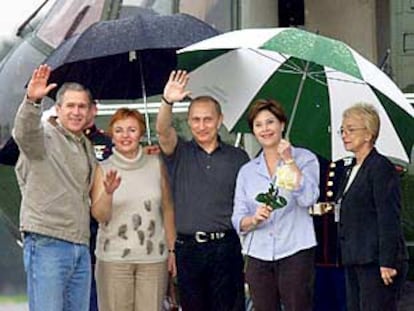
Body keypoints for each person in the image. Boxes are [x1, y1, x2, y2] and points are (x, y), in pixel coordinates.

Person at [12, 64, 114, 311]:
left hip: (80, 246)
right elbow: (24, 132)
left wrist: (108, 192)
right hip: (48, 242)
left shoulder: (86, 147)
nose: (76, 112)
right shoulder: (43, 136)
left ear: (91, 111)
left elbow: (97, 207)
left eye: (82, 106)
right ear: (58, 109)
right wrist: (32, 101)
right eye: (70, 106)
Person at [155, 70, 249, 311]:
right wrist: (167, 102)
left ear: (220, 120)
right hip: (189, 250)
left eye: (208, 119)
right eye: (195, 120)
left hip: (226, 248)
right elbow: (163, 132)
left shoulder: (238, 157)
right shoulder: (179, 152)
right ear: (188, 122)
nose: (201, 125)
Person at [231, 99, 320, 311]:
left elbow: (308, 199)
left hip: (295, 250)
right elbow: (237, 218)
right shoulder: (248, 171)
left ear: (282, 124)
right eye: (258, 124)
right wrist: (253, 219)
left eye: (270, 122)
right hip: (258, 253)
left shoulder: (305, 158)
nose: (265, 129)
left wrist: (289, 161)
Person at [93, 108, 176, 311]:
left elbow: (167, 209)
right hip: (114, 259)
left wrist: (172, 250)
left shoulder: (156, 164)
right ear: (112, 135)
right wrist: (108, 193)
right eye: (119, 130)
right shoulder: (102, 169)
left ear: (141, 133)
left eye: (132, 129)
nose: (125, 135)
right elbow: (99, 215)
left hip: (153, 258)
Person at [336, 103, 408, 311]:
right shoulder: (351, 168)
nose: (345, 135)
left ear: (369, 134)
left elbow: (389, 217)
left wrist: (387, 261)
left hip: (375, 261)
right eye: (343, 130)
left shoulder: (380, 167)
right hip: (355, 256)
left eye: (351, 129)